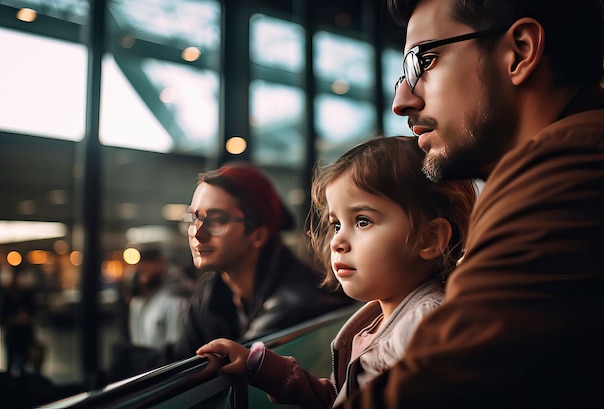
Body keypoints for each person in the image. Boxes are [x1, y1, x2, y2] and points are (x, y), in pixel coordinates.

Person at [336, 0, 604, 408]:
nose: (402, 101)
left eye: (424, 62)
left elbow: (438, 385)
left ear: (520, 52)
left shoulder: (575, 168)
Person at [196, 137, 476, 408]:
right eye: (337, 224)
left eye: (363, 221)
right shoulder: (384, 319)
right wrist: (264, 367)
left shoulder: (423, 327)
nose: (337, 242)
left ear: (429, 239)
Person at [173, 162, 353, 360]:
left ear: (257, 235)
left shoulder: (297, 304)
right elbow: (183, 358)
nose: (197, 233)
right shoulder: (209, 291)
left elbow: (237, 373)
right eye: (194, 218)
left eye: (216, 220)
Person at [109, 246, 192, 380]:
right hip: (141, 374)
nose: (142, 276)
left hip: (162, 376)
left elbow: (177, 351)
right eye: (140, 271)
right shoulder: (137, 301)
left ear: (160, 264)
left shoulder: (175, 301)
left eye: (146, 268)